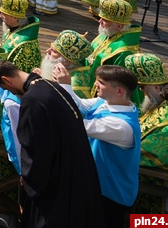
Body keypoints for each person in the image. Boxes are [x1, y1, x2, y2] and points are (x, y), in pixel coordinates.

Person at [0, 59, 101, 228]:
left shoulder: (32, 100)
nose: (12, 93)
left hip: (57, 182)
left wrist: (27, 179)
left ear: (6, 80)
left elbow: (34, 148)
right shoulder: (51, 85)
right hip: (78, 171)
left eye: (7, 89)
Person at [62, 64, 142, 227]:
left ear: (119, 91)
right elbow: (81, 105)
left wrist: (64, 86)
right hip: (98, 186)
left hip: (111, 194)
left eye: (101, 82)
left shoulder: (120, 125)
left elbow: (75, 125)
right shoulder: (108, 101)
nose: (95, 84)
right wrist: (64, 86)